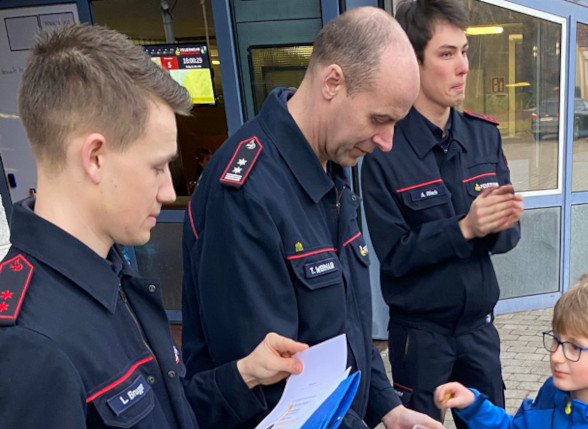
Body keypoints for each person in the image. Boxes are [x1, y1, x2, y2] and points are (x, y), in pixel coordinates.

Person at [0, 24, 309, 428]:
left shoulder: (113, 275)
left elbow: (166, 410)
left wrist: (245, 374)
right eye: (158, 166)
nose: (168, 191)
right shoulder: (29, 345)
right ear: (94, 158)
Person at [181, 7, 441, 429]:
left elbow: (348, 327)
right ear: (332, 82)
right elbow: (274, 391)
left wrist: (387, 408)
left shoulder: (334, 168)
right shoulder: (246, 194)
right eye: (379, 119)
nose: (387, 142)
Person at [361, 0, 524, 427]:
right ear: (413, 63)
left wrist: (497, 226)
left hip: (478, 333)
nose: (463, 66)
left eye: (464, 52)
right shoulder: (384, 150)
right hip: (420, 338)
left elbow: (510, 237)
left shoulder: (483, 136)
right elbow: (395, 255)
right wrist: (464, 228)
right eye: (447, 54)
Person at [435, 269, 588, 428]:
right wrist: (473, 405)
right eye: (557, 340)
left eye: (574, 347)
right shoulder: (552, 392)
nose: (556, 356)